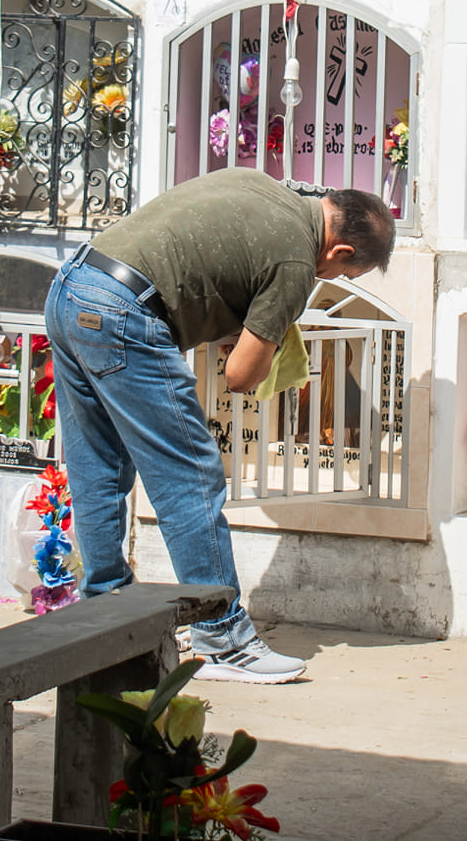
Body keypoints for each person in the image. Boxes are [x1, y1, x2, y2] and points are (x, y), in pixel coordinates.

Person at [43, 169, 395, 683]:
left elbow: (207, 260)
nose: (332, 281)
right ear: (339, 251)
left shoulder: (260, 184)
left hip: (72, 286)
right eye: (343, 276)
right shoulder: (297, 261)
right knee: (191, 472)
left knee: (99, 469)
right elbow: (239, 376)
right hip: (123, 313)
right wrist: (267, 338)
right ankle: (222, 637)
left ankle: (103, 616)